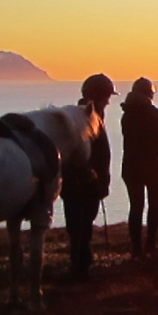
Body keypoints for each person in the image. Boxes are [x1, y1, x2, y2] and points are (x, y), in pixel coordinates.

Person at [62, 73, 114, 279]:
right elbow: (98, 154)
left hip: (74, 182)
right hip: (85, 182)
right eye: (107, 96)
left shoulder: (78, 115)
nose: (109, 101)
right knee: (81, 224)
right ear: (99, 96)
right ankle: (80, 266)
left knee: (77, 224)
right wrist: (100, 179)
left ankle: (81, 261)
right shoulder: (89, 117)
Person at [121, 77, 158, 261]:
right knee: (154, 206)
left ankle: (136, 249)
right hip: (152, 167)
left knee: (135, 207)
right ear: (149, 94)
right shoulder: (151, 113)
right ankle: (150, 245)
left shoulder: (126, 114)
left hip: (130, 167)